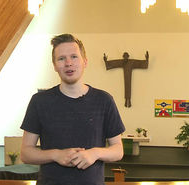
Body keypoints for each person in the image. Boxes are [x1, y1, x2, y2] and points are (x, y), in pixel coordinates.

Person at [20, 33, 125, 185]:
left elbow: (118, 149)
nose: (68, 63)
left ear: (85, 62)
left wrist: (94, 153)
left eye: (74, 57)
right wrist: (56, 155)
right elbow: (26, 153)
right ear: (55, 65)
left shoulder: (104, 100)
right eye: (61, 58)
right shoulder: (40, 101)